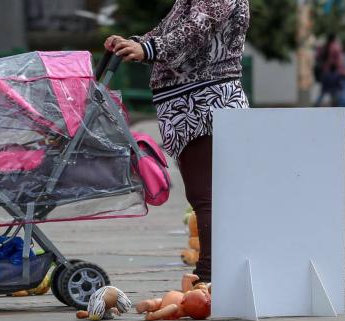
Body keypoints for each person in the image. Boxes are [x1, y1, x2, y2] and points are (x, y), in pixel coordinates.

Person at [104, 0, 250, 283]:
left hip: (206, 104)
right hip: (190, 106)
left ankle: (210, 278)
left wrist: (147, 49)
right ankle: (215, 275)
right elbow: (168, 30)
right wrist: (133, 44)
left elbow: (197, 29)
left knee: (206, 195)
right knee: (204, 195)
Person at [312, 34, 343, 107]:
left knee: (323, 92)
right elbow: (336, 60)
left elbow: (317, 57)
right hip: (332, 72)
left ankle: (316, 106)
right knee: (334, 92)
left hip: (325, 73)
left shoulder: (324, 46)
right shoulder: (334, 47)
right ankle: (335, 109)